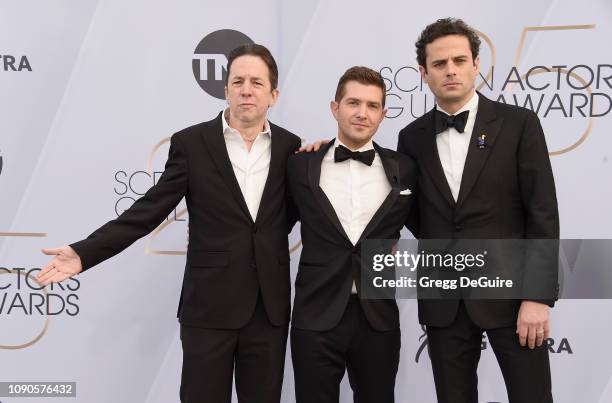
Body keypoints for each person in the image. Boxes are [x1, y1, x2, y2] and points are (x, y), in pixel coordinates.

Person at [37, 43, 302, 403]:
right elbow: (147, 211)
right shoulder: (192, 144)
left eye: (257, 82)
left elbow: (292, 214)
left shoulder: (292, 148)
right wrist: (84, 254)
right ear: (225, 90)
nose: (246, 89)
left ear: (273, 94)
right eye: (238, 80)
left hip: (268, 311)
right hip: (208, 310)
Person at [397, 18, 559, 403]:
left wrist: (537, 296)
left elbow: (543, 213)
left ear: (476, 64)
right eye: (439, 64)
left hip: (514, 297)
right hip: (444, 301)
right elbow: (415, 214)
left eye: (458, 60)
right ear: (423, 73)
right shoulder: (411, 137)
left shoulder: (519, 124)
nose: (450, 70)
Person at [287, 66, 418, 403]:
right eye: (353, 103)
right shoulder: (301, 165)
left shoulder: (404, 168)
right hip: (316, 313)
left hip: (377, 316)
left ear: (383, 114)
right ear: (335, 108)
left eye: (373, 106)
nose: (362, 113)